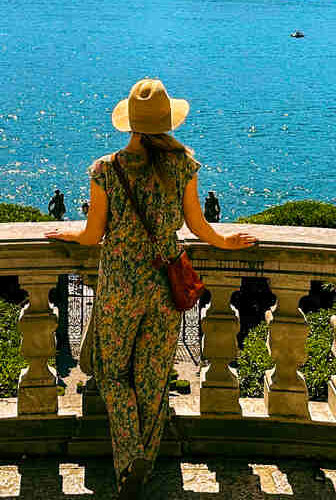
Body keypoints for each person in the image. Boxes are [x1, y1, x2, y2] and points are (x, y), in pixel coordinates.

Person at [45, 79, 257, 499]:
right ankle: (145, 452)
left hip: (122, 282)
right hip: (165, 283)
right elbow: (197, 226)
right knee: (153, 375)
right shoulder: (184, 167)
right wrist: (226, 242)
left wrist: (67, 235)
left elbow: (93, 235)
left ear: (131, 123)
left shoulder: (106, 169)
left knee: (110, 370)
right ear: (167, 122)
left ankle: (129, 456)